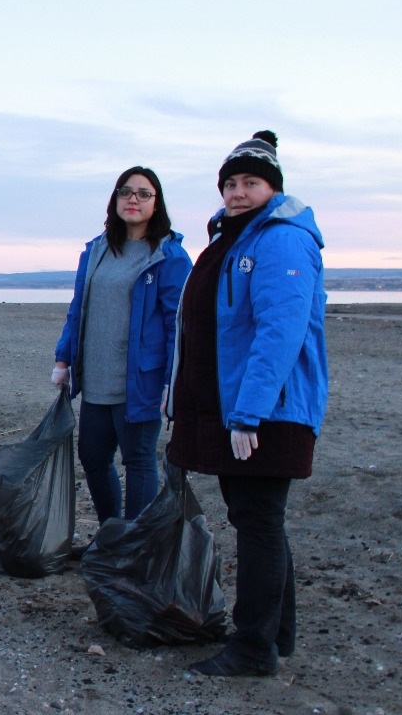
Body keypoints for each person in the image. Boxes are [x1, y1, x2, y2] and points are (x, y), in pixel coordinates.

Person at [166, 131, 328, 677]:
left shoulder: (279, 240)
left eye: (250, 183)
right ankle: (277, 635)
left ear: (271, 187)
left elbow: (279, 331)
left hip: (266, 412)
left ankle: (254, 648)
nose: (237, 192)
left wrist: (248, 413)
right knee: (258, 520)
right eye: (230, 183)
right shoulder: (238, 238)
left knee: (257, 522)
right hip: (241, 407)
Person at [53, 167, 192, 524]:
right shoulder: (97, 250)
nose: (133, 199)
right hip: (97, 378)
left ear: (156, 203)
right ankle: (111, 532)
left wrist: (172, 382)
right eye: (125, 192)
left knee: (138, 461)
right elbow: (78, 308)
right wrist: (64, 358)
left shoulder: (168, 257)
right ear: (114, 199)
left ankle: (135, 545)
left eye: (143, 194)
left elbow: (178, 324)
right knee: (93, 458)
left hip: (140, 382)